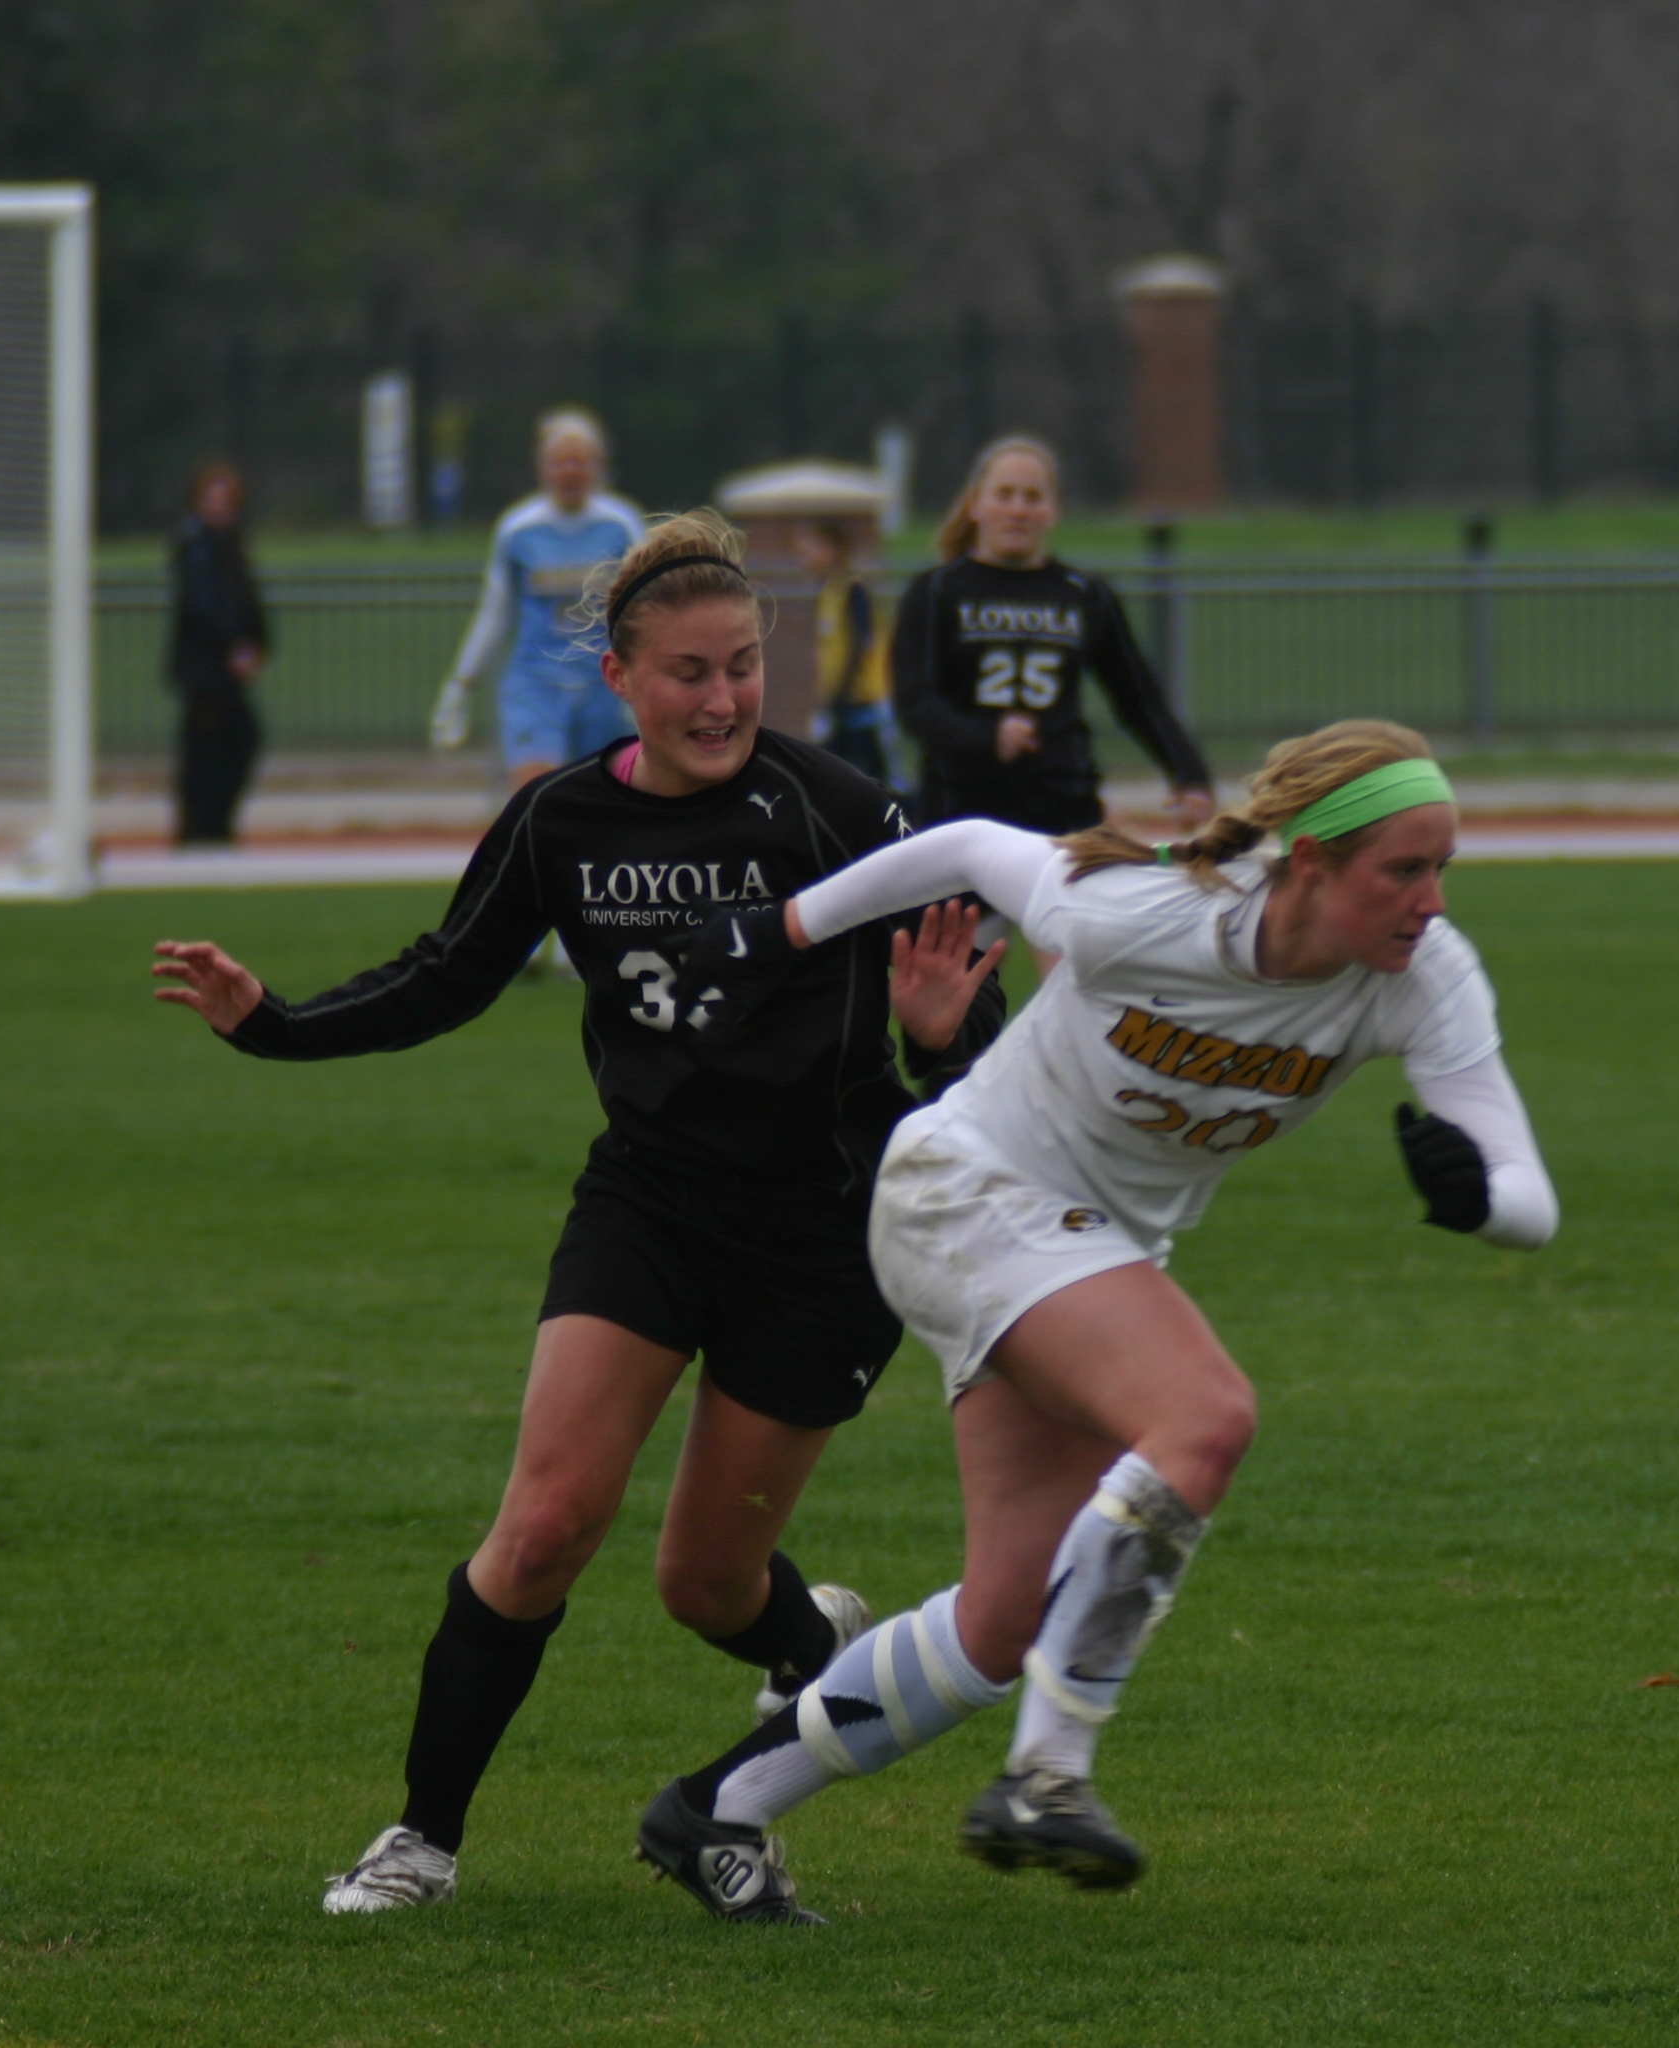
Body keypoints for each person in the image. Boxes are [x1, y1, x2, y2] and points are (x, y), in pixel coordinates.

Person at [150, 509, 1007, 1916]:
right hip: (648, 1203)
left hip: (825, 1234)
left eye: (742, 667)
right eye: (688, 672)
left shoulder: (840, 810)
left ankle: (803, 1635)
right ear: (620, 677)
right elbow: (448, 973)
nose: (722, 699)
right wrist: (273, 1024)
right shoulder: (562, 817)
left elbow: (982, 1038)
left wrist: (934, 1038)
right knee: (545, 1525)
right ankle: (419, 1842)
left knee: (705, 1585)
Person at [625, 719, 1558, 1925]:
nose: (1431, 901)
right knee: (1205, 1418)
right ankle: (1047, 1774)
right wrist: (780, 927)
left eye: (1444, 868)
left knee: (1001, 1620)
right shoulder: (1148, 910)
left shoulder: (1423, 974)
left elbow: (1528, 1195)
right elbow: (971, 845)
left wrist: (1479, 1198)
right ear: (1310, 862)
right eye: (1405, 869)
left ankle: (717, 1808)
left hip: (1085, 1249)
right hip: (968, 1190)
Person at [892, 435, 1215, 838]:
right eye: (1004, 495)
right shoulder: (937, 592)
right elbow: (914, 701)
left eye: (1033, 497)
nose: (1018, 510)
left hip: (1064, 808)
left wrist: (1189, 774)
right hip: (961, 810)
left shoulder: (1084, 594)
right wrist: (985, 737)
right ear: (975, 505)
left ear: (1053, 510)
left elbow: (1138, 697)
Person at [429, 408, 649, 786]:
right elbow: (496, 612)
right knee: (536, 794)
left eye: (580, 461)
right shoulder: (518, 529)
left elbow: (646, 609)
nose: (570, 471)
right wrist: (461, 685)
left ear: (599, 467)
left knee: (607, 801)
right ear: (542, 468)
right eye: (560, 462)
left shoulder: (621, 525)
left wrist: (646, 679)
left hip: (604, 684)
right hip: (536, 683)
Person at [166, 461, 268, 846]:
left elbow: (246, 602)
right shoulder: (195, 545)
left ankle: (214, 828)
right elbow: (204, 604)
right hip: (205, 670)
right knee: (209, 751)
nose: (219, 506)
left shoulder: (231, 543)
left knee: (235, 745)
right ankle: (201, 831)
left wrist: (256, 644)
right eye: (211, 499)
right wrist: (233, 647)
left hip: (225, 671)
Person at [802, 517, 897, 786]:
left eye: (812, 548)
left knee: (873, 777)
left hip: (861, 701)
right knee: (831, 776)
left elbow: (859, 644)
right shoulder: (828, 590)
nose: (805, 557)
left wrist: (837, 697)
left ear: (832, 549)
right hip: (840, 702)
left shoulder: (852, 589)